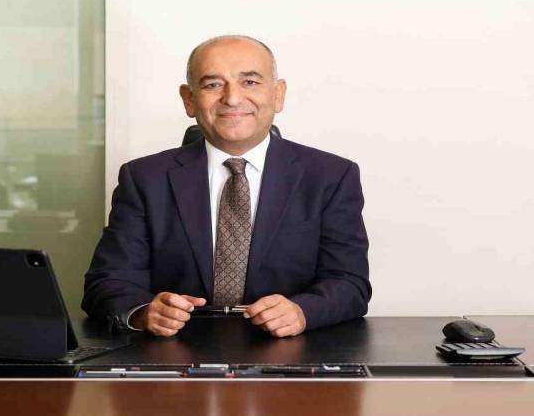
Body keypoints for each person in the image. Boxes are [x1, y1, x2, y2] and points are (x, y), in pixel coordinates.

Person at [82, 35, 370, 337]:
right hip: (176, 350)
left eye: (250, 82)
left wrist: (302, 311)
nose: (232, 98)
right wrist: (143, 312)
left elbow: (350, 283)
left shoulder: (330, 176)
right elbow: (107, 282)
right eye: (212, 85)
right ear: (189, 99)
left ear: (278, 94)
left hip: (289, 350)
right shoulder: (144, 178)